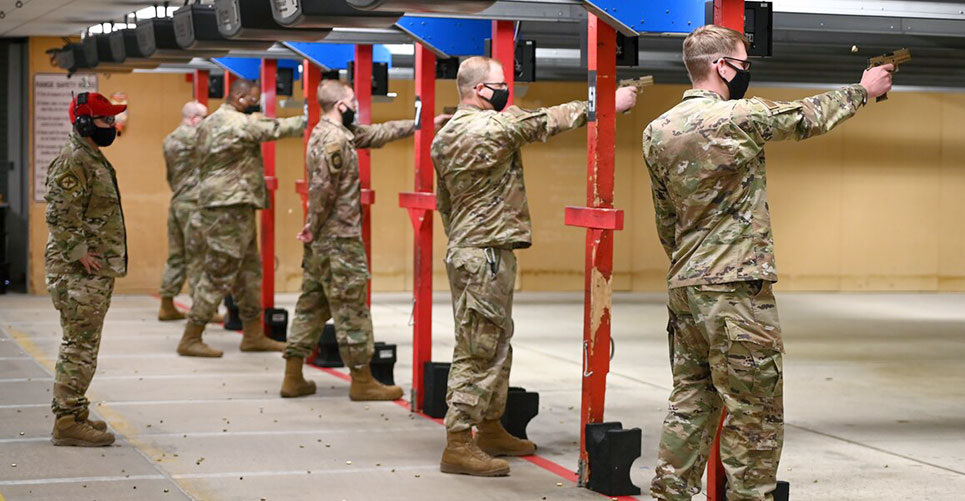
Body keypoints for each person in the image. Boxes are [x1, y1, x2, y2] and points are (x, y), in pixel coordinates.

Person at [642, 25, 894, 500]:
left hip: (687, 286)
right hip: (737, 288)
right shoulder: (736, 116)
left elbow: (666, 217)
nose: (746, 72)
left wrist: (690, 267)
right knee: (754, 410)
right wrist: (863, 90)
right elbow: (805, 117)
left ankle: (669, 494)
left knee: (691, 398)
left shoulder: (658, 130)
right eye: (742, 62)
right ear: (721, 66)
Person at [431, 56, 638, 476]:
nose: (506, 90)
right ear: (478, 90)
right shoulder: (490, 127)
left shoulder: (445, 133)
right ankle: (458, 442)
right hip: (485, 252)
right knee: (478, 349)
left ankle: (489, 426)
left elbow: (445, 204)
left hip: (472, 249)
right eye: (500, 84)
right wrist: (606, 105)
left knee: (494, 341)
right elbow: (547, 120)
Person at [281, 79, 450, 400]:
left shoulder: (329, 134)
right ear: (341, 106)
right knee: (352, 309)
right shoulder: (335, 141)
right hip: (339, 241)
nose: (356, 106)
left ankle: (293, 375)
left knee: (311, 305)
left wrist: (425, 124)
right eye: (352, 102)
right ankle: (362, 381)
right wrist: (312, 225)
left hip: (323, 243)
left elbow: (377, 133)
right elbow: (322, 190)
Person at [177, 79, 305, 357]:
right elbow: (277, 128)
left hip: (233, 205)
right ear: (239, 96)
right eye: (253, 98)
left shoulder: (210, 122)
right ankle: (191, 336)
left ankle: (253, 334)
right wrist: (313, 119)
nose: (256, 103)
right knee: (220, 270)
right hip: (228, 207)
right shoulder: (233, 122)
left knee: (249, 272)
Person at [45, 92, 128, 446]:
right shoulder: (73, 160)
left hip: (90, 271)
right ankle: (66, 421)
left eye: (112, 120)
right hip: (77, 272)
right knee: (79, 345)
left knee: (85, 344)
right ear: (83, 123)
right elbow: (60, 213)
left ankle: (75, 411)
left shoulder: (89, 156)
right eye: (105, 120)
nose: (112, 126)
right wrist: (80, 253)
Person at [157, 101, 219, 322]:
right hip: (194, 204)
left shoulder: (169, 140)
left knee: (177, 256)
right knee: (198, 258)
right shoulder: (196, 139)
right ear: (193, 119)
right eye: (204, 118)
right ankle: (202, 310)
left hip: (178, 202)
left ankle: (166, 303)